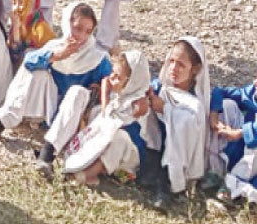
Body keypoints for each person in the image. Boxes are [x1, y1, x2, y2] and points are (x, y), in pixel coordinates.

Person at [0, 4, 112, 148]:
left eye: (88, 31)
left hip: (75, 115)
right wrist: (58, 55)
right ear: (67, 24)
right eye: (78, 28)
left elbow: (113, 85)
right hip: (51, 110)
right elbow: (28, 62)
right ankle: (4, 120)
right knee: (37, 70)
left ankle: (49, 150)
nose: (82, 36)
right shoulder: (55, 46)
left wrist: (100, 88)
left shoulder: (97, 58)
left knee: (77, 91)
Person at [62, 50, 150, 186]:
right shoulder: (120, 96)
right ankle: (84, 160)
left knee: (119, 138)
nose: (112, 79)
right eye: (112, 74)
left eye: (118, 77)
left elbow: (123, 128)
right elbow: (105, 90)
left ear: (132, 82)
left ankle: (87, 175)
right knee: (96, 114)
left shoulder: (139, 104)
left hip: (127, 156)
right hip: (107, 146)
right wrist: (105, 96)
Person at [141, 37, 210, 209]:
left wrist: (165, 109)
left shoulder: (195, 102)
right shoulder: (160, 87)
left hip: (176, 156)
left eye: (181, 64)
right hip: (155, 147)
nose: (173, 68)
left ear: (194, 69)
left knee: (185, 121)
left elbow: (190, 126)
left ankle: (166, 189)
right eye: (171, 61)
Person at [209, 71, 257, 201]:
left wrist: (240, 133)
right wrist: (214, 115)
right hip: (244, 148)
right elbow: (219, 92)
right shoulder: (252, 93)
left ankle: (232, 186)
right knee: (227, 105)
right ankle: (215, 170)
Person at [6, 0, 55, 67]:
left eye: (21, 2)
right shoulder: (17, 26)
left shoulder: (41, 29)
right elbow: (14, 56)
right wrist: (16, 30)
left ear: (32, 4)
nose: (16, 7)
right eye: (14, 3)